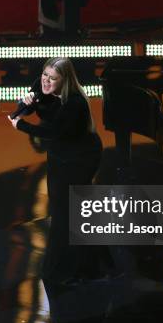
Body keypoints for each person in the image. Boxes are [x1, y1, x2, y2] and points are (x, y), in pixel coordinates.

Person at [8, 57, 103, 284]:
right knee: (64, 208)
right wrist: (28, 102)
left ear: (64, 80)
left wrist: (20, 125)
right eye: (44, 75)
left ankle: (63, 269)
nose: (46, 81)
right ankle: (93, 263)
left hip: (81, 157)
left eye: (53, 78)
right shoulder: (40, 85)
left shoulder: (76, 103)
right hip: (59, 155)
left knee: (66, 212)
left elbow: (54, 132)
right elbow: (25, 110)